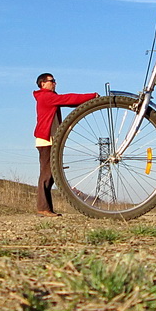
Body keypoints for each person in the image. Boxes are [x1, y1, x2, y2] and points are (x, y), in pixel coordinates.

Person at [33, 73, 98, 216]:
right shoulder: (46, 96)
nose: (54, 83)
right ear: (42, 84)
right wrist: (92, 96)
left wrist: (90, 100)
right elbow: (68, 98)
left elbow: (71, 101)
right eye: (52, 81)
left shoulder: (49, 97)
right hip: (47, 140)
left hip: (50, 139)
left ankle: (45, 208)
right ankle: (43, 208)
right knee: (47, 174)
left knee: (50, 175)